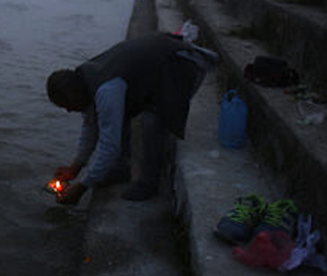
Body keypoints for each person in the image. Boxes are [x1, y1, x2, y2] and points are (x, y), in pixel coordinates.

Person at [46, 32, 218, 204]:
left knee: (152, 121)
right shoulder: (84, 79)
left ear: (76, 95)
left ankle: (149, 182)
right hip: (160, 67)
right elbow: (90, 127)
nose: (68, 111)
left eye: (67, 105)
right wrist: (76, 167)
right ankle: (121, 169)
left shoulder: (106, 91)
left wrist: (82, 187)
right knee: (116, 114)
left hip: (185, 66)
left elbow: (109, 147)